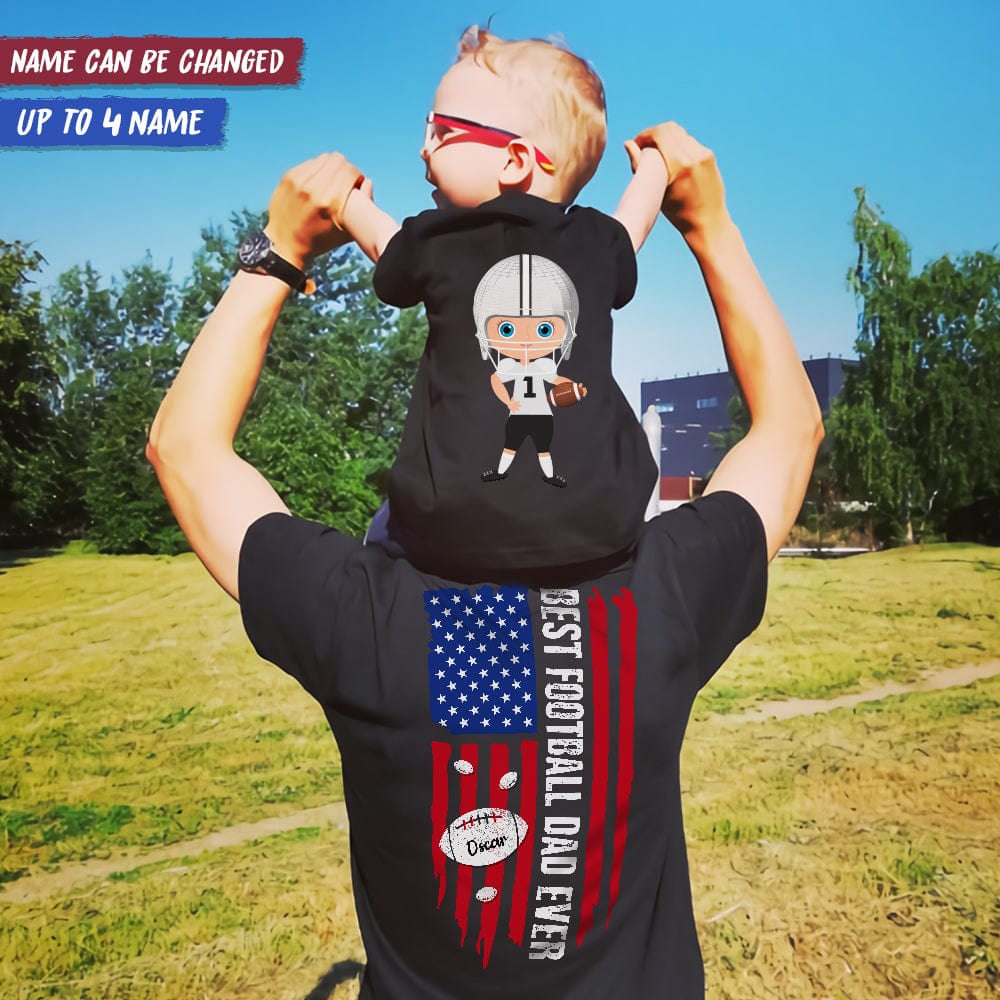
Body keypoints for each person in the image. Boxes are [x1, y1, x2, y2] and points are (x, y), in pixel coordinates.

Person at [147, 121, 823, 997]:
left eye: (442, 130)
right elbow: (790, 429)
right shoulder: (663, 601)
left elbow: (185, 449)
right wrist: (711, 227)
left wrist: (277, 250)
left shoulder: (366, 622)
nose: (423, 147)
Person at [338, 28, 670, 578]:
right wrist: (656, 166)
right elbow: (633, 223)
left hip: (448, 534)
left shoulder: (436, 238)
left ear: (516, 160)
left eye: (442, 131)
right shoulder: (595, 241)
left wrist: (347, 201)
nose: (424, 147)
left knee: (382, 531)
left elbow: (385, 248)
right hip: (600, 529)